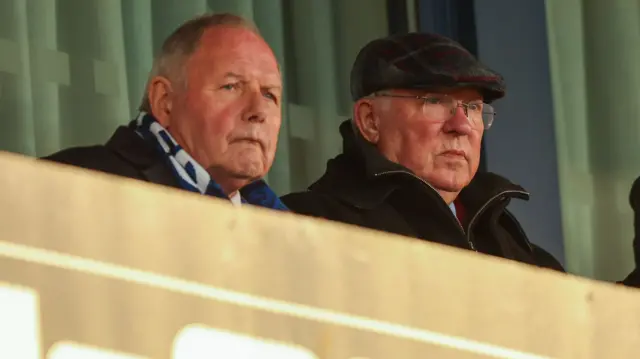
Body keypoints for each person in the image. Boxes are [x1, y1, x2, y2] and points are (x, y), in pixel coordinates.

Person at [282, 32, 630, 281]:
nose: (462, 125)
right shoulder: (310, 225)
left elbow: (590, 333)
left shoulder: (504, 238)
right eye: (435, 102)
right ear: (371, 120)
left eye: (474, 108)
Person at [44, 13, 287, 210]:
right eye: (231, 86)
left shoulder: (285, 227)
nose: (258, 111)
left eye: (269, 95)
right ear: (165, 101)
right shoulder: (73, 184)